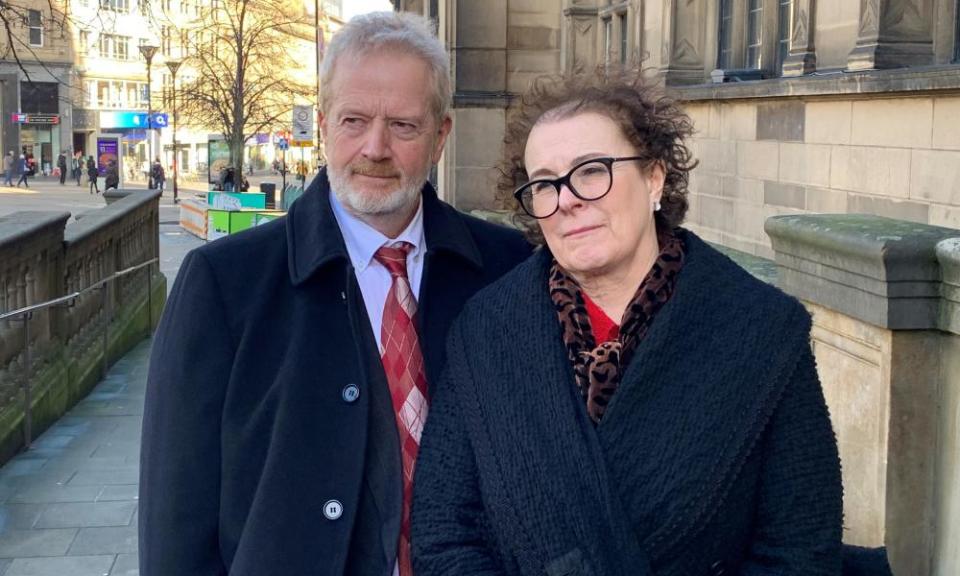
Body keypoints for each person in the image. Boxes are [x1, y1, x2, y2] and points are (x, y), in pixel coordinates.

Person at [412, 68, 859, 576]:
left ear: (654, 177)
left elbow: (799, 549)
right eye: (544, 184)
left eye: (592, 170)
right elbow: (444, 534)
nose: (568, 199)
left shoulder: (759, 329)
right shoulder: (486, 333)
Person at [139, 11, 530, 576]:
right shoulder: (224, 284)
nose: (375, 147)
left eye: (403, 125)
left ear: (441, 136)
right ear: (322, 124)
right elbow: (177, 515)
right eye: (354, 120)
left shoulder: (506, 269)